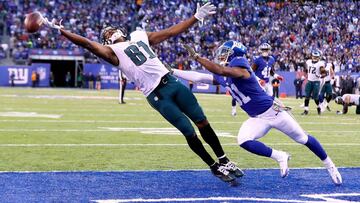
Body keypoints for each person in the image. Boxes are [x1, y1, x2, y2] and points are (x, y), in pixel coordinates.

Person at [42, 3, 243, 184]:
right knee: (188, 131)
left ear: (121, 30)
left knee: (202, 121)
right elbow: (86, 43)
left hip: (172, 82)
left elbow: (170, 32)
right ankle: (213, 166)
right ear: (105, 41)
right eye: (106, 34)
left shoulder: (139, 36)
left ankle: (224, 159)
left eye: (112, 30)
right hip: (157, 95)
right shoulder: (111, 52)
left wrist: (195, 17)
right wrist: (63, 31)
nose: (111, 33)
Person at [175, 40, 342, 185]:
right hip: (257, 118)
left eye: (225, 52)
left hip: (274, 112)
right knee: (244, 140)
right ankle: (279, 155)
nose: (221, 55)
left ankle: (330, 166)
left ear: (235, 55)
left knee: (303, 138)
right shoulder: (225, 72)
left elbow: (222, 71)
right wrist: (172, 71)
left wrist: (197, 57)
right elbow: (198, 77)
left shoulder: (241, 68)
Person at [302, 50, 327, 115]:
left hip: (316, 81)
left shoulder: (320, 64)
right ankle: (306, 110)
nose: (315, 58)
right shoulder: (308, 62)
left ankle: (318, 107)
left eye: (316, 57)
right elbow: (306, 68)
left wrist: (321, 76)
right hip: (309, 81)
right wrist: (306, 72)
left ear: (319, 57)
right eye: (314, 56)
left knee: (315, 97)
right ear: (312, 56)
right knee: (307, 96)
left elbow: (324, 73)